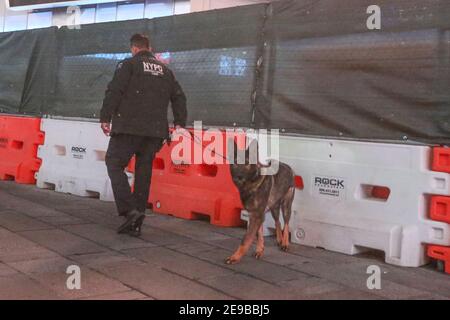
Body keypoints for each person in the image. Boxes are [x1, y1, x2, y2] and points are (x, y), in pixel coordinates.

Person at [100, 33, 187, 236]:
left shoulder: (128, 65)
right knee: (143, 173)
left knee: (114, 163)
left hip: (129, 127)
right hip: (155, 132)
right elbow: (179, 97)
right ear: (150, 48)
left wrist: (105, 117)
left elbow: (115, 91)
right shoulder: (166, 71)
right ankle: (136, 222)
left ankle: (129, 210)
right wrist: (180, 123)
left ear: (134, 49)